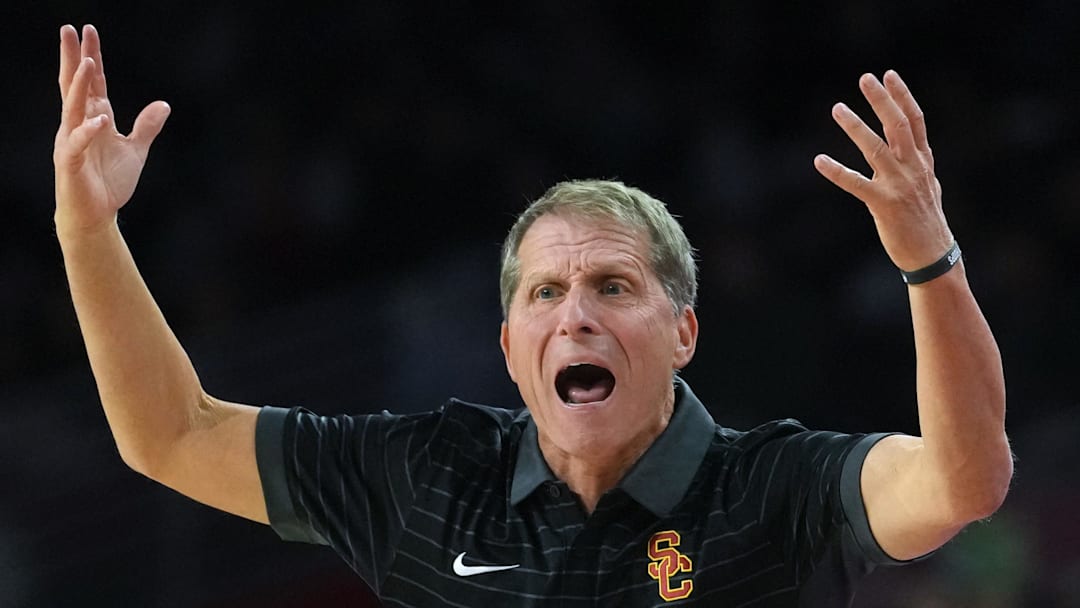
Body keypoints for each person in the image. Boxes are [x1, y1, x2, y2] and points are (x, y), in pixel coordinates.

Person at [54, 23, 1012, 607]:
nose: (576, 317)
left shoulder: (779, 490)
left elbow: (963, 478)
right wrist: (88, 232)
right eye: (545, 294)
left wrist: (929, 262)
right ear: (510, 348)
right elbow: (172, 435)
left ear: (684, 332)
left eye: (614, 287)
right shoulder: (426, 479)